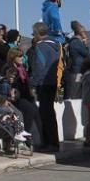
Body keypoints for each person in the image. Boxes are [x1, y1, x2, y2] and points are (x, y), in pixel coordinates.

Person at [1, 47, 43, 150]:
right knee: (30, 110)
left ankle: (43, 140)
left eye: (22, 56)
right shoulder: (9, 68)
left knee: (37, 112)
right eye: (19, 56)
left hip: (25, 96)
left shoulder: (22, 68)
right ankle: (22, 138)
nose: (22, 58)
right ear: (13, 57)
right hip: (15, 98)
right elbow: (9, 83)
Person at [29, 22, 62, 151]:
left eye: (34, 33)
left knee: (45, 114)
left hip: (44, 84)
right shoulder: (56, 46)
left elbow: (39, 67)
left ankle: (49, 143)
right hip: (54, 82)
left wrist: (33, 84)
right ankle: (54, 142)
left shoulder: (41, 47)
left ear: (38, 33)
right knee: (50, 113)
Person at [66, 21, 90, 99]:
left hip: (78, 71)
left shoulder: (75, 42)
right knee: (76, 94)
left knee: (78, 94)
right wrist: (86, 45)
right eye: (84, 31)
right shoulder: (76, 43)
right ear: (80, 32)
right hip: (77, 72)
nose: (85, 33)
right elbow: (87, 54)